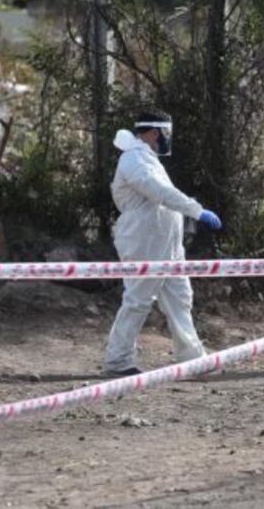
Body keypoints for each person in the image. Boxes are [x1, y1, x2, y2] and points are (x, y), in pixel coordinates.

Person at [104, 110, 223, 376]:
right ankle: (117, 361)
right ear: (156, 132)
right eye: (167, 133)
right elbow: (159, 192)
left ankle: (191, 358)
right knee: (138, 299)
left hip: (166, 243)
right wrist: (196, 210)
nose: (169, 139)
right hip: (142, 239)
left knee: (180, 298)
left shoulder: (147, 158)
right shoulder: (133, 159)